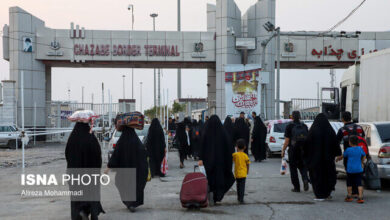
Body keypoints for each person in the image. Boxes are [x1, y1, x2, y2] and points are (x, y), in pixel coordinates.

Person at [65, 122, 105, 220]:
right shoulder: (91, 138)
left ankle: (79, 212)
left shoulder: (72, 138)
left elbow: (67, 155)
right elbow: (97, 154)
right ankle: (91, 213)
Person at [107, 126, 148, 212]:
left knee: (122, 183)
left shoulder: (121, 141)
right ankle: (133, 203)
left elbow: (116, 154)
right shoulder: (137, 141)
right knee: (137, 184)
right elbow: (143, 154)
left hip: (124, 170)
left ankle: (129, 203)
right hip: (137, 170)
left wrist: (110, 165)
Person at [198, 115, 235, 205]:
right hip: (221, 162)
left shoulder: (206, 132)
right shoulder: (223, 133)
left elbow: (202, 146)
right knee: (220, 178)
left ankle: (210, 196)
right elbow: (229, 147)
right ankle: (217, 196)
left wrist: (201, 158)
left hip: (208, 162)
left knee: (210, 178)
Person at [304, 113, 342, 200]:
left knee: (316, 176)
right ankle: (327, 194)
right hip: (328, 160)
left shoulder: (312, 132)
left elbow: (306, 145)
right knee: (328, 175)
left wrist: (306, 157)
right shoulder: (330, 131)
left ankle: (318, 194)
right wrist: (337, 153)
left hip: (315, 161)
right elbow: (335, 143)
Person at [336, 111, 365, 197]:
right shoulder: (359, 127)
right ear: (351, 117)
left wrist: (338, 154)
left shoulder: (342, 130)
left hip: (348, 155)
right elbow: (363, 138)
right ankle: (357, 192)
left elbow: (336, 142)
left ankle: (352, 192)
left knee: (350, 174)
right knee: (358, 175)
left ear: (343, 119)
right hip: (359, 154)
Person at [281, 111, 309, 192]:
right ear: (300, 116)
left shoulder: (289, 126)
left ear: (292, 117)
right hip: (303, 149)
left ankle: (296, 187)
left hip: (293, 150)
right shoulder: (304, 126)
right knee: (302, 166)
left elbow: (287, 140)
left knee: (293, 168)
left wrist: (283, 150)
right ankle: (305, 179)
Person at [342, 135, 366, 203]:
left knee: (349, 183)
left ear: (350, 142)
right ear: (358, 142)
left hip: (350, 170)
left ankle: (349, 197)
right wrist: (362, 162)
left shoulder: (348, 149)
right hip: (358, 169)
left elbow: (343, 156)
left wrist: (338, 158)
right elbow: (364, 155)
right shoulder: (360, 149)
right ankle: (360, 197)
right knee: (359, 183)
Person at [232, 139, 250, 204]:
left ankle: (238, 197)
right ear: (245, 147)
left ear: (236, 147)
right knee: (242, 186)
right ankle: (241, 199)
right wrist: (247, 171)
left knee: (238, 186)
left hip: (237, 173)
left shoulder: (235, 155)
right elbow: (248, 164)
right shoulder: (245, 155)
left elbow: (231, 160)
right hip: (243, 174)